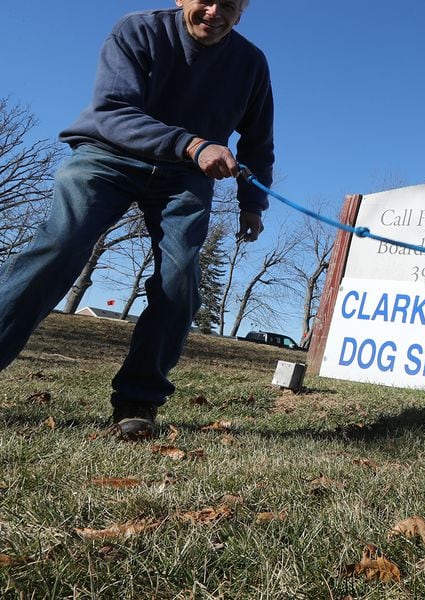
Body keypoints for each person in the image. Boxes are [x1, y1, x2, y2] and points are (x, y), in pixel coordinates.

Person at [0, 0, 274, 439]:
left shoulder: (251, 63)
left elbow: (258, 141)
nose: (214, 11)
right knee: (61, 246)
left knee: (180, 278)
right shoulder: (138, 30)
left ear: (243, 11)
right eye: (205, 0)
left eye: (229, 4)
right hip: (109, 156)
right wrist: (192, 144)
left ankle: (138, 400)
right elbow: (113, 110)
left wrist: (253, 204)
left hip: (184, 178)